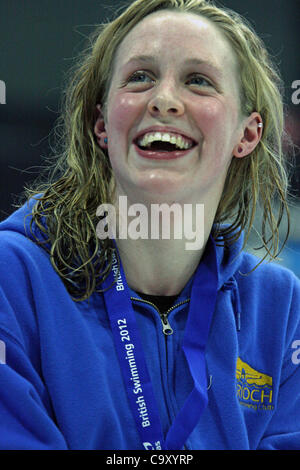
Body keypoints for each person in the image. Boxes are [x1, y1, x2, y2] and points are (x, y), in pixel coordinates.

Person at [0, 0, 299, 451]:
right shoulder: (13, 278)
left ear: (248, 134)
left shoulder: (281, 309)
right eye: (140, 77)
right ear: (101, 124)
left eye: (198, 81)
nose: (163, 100)